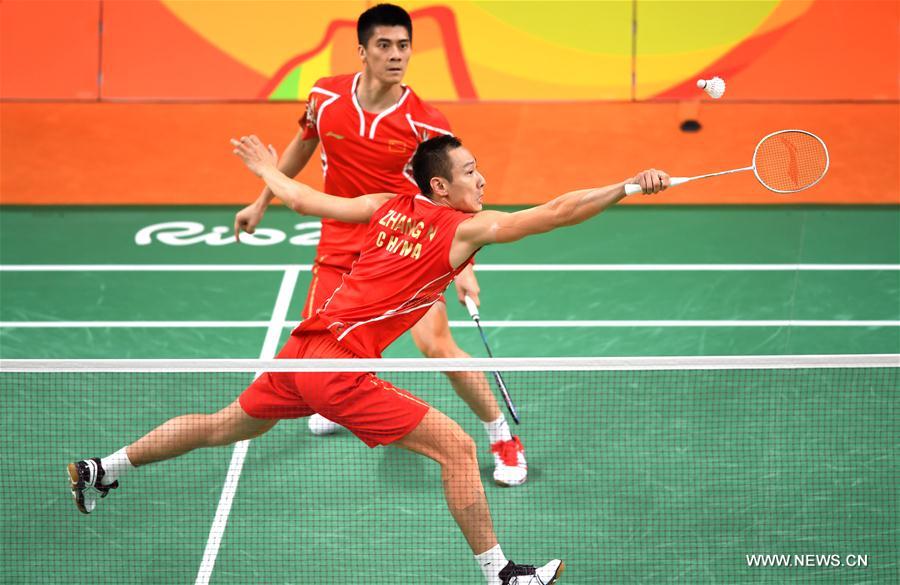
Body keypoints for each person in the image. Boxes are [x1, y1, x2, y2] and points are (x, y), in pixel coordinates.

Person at [68, 133, 669, 583]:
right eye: (470, 171)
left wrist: (264, 170)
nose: (480, 179)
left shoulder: (387, 205)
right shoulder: (465, 231)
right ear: (440, 186)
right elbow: (556, 213)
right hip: (338, 368)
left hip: (302, 351)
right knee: (457, 449)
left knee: (223, 424)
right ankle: (504, 575)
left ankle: (104, 466)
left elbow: (303, 199)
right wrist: (626, 187)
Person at [231, 4, 529, 487]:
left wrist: (462, 265)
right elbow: (305, 142)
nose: (396, 56)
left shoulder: (424, 121)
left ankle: (501, 434)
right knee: (322, 344)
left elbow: (451, 190)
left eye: (404, 46)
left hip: (402, 242)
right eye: (385, 46)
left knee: (436, 346)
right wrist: (262, 200)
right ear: (362, 51)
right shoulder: (325, 96)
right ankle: (332, 397)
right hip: (339, 236)